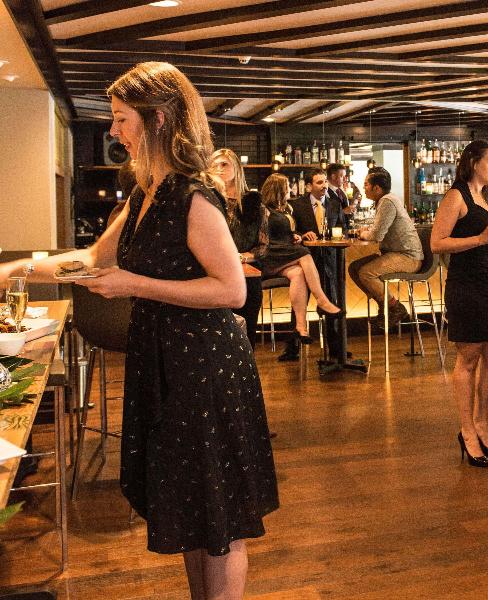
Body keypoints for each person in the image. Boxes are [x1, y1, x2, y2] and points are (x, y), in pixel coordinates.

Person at [0, 61, 279, 599]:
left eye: (121, 119)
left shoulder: (194, 197)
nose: (113, 131)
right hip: (165, 361)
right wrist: (16, 269)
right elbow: (90, 259)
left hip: (204, 368)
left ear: (157, 120)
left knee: (218, 522)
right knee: (193, 514)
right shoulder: (144, 194)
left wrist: (136, 284)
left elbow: (231, 291)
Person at [431, 140, 488, 468]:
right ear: (473, 162)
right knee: (469, 358)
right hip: (466, 285)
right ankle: (466, 430)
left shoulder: (487, 198)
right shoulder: (457, 196)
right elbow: (437, 243)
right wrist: (478, 239)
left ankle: (482, 423)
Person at [260, 172, 341, 344]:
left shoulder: (286, 208)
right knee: (304, 253)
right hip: (270, 256)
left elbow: (286, 231)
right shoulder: (263, 210)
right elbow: (261, 237)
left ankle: (301, 328)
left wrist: (296, 235)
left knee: (298, 273)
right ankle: (321, 299)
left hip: (285, 255)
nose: (290, 189)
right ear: (277, 190)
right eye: (287, 187)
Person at [349, 167, 422, 327]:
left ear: (377, 188)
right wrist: (368, 231)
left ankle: (396, 308)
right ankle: (385, 306)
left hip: (408, 256)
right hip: (396, 254)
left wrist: (364, 233)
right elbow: (378, 229)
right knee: (354, 268)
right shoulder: (385, 200)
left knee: (366, 273)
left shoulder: (387, 201)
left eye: (366, 184)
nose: (363, 188)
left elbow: (377, 235)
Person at [284, 168, 344, 361]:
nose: (324, 186)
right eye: (319, 182)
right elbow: (290, 231)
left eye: (325, 181)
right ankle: (292, 349)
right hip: (305, 260)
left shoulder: (334, 204)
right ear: (309, 186)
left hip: (329, 259)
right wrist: (302, 235)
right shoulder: (297, 205)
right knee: (299, 304)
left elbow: (342, 227)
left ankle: (336, 349)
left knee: (331, 302)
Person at [211, 148, 267, 347]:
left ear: (237, 168)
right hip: (213, 276)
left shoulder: (254, 204)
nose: (219, 169)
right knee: (217, 341)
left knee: (245, 339)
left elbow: (263, 247)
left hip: (246, 276)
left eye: (224, 164)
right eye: (214, 165)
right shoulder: (207, 202)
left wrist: (242, 257)